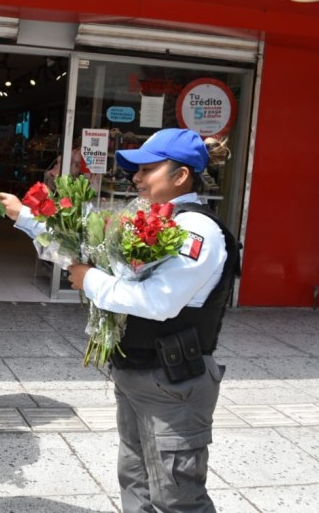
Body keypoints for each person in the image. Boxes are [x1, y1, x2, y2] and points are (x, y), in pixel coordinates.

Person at [67, 128, 241, 512]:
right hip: (138, 371)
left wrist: (90, 279)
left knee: (177, 496)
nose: (137, 178)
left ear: (181, 176)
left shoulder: (198, 231)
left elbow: (158, 302)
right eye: (136, 170)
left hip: (173, 383)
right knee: (136, 480)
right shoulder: (155, 219)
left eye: (148, 169)